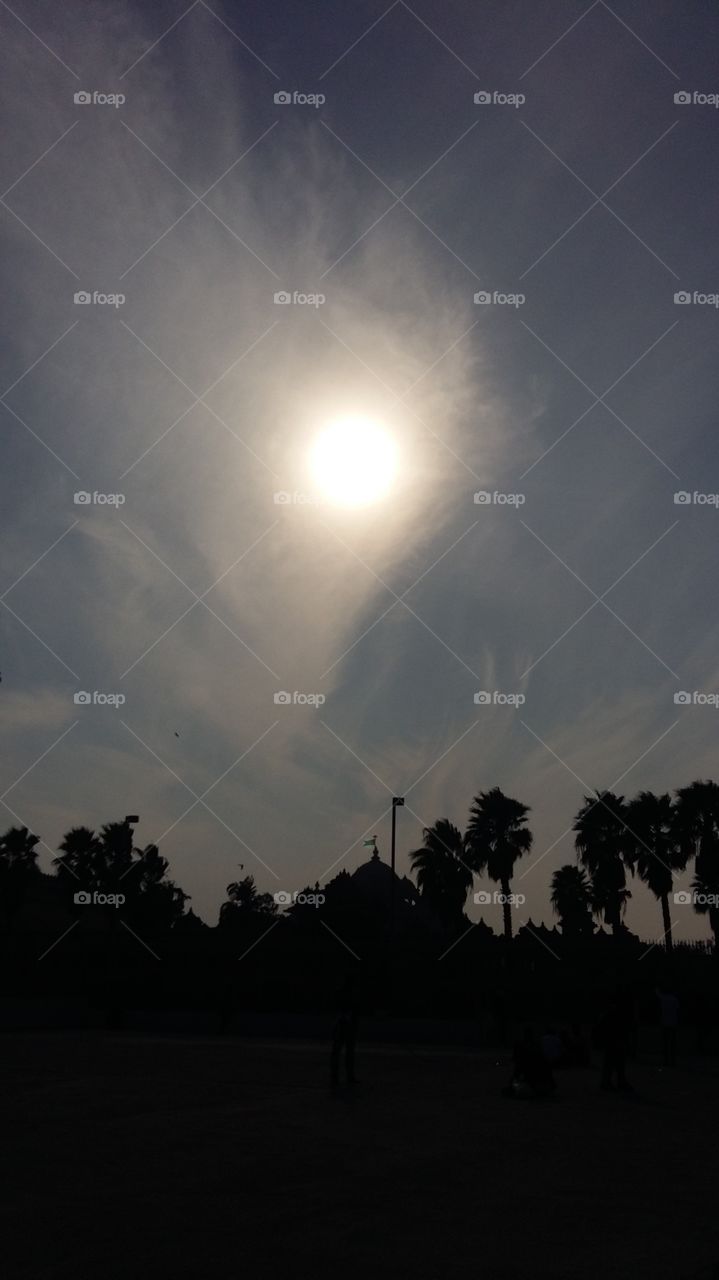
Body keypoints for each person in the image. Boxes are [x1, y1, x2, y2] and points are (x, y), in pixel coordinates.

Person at [596, 986, 633, 1091]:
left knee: (612, 1062)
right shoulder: (617, 1013)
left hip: (612, 1040)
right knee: (616, 1062)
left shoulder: (610, 1012)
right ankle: (615, 1081)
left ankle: (610, 1081)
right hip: (615, 1039)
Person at [503, 1026, 556, 1098]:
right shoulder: (538, 1051)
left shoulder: (524, 1057)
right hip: (546, 1086)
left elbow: (517, 1074)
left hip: (536, 1086)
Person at [330, 972, 359, 1089]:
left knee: (340, 1052)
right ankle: (344, 1076)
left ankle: (337, 1077)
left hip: (345, 1025)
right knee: (345, 1052)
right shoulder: (350, 994)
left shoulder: (345, 994)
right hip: (345, 1025)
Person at [656, 986, 679, 1067]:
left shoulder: (664, 999)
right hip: (673, 1023)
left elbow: (658, 994)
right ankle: (672, 1060)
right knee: (672, 1042)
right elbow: (677, 1010)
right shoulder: (674, 999)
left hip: (665, 1023)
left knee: (665, 1042)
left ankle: (666, 1060)